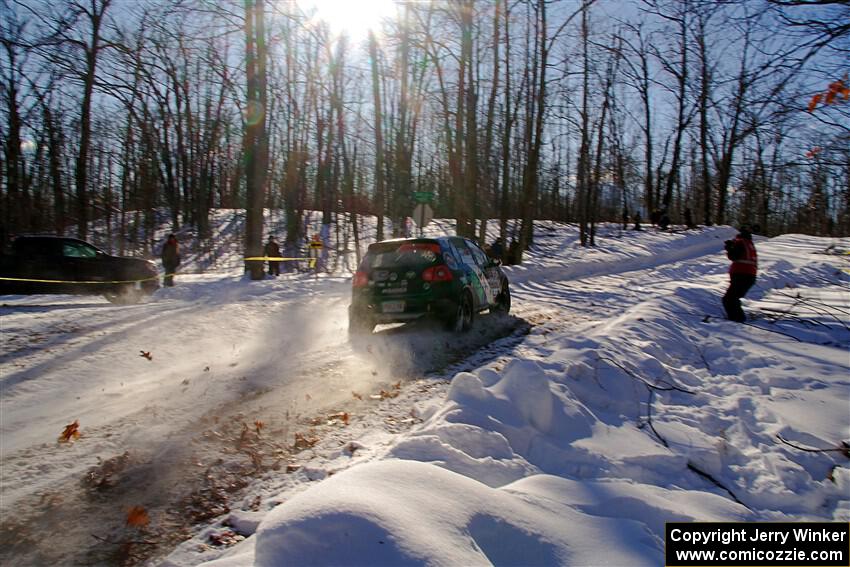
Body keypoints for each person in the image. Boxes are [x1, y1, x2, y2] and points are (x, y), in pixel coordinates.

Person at [722, 226, 758, 322]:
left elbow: (734, 256)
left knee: (729, 300)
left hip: (741, 274)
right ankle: (738, 319)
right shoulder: (750, 244)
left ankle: (736, 322)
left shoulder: (740, 242)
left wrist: (729, 248)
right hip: (750, 276)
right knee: (733, 299)